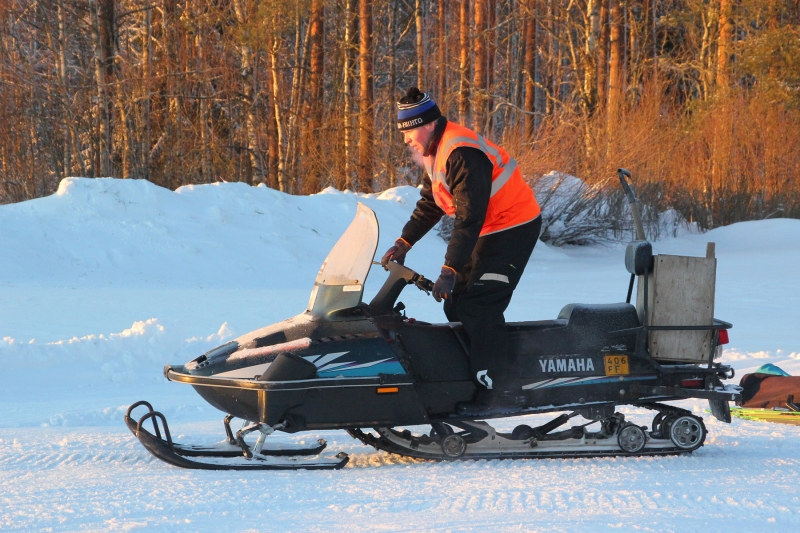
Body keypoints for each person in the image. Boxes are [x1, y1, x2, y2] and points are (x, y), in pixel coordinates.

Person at [381, 87, 542, 414]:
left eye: (409, 132)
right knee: (456, 303)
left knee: (479, 304)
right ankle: (472, 378)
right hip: (488, 228)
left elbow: (469, 217)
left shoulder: (461, 151)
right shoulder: (435, 151)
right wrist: (404, 241)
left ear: (426, 124)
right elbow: (431, 203)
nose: (406, 140)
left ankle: (502, 390)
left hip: (512, 227)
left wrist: (450, 269)